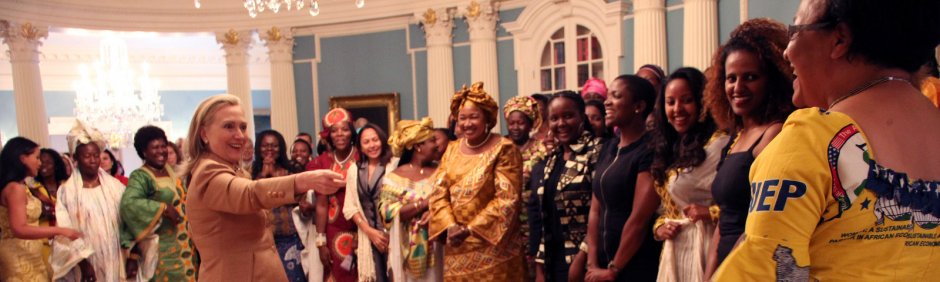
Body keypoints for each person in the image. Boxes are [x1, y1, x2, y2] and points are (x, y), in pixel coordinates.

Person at [716, 0, 940, 280]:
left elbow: (762, 270)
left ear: (839, 39)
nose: (786, 51)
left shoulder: (815, 140)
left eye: (794, 31)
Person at [183, 94, 345, 281]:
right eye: (229, 126)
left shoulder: (233, 170)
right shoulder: (207, 171)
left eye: (243, 127)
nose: (239, 135)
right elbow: (249, 193)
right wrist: (302, 181)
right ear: (204, 134)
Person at [701, 18, 796, 279]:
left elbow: (765, 225)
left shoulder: (775, 134)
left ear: (773, 80)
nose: (738, 88)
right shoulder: (735, 139)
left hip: (750, 270)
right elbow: (723, 221)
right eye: (731, 78)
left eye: (750, 77)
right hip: (724, 267)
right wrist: (710, 275)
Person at [429, 82, 525, 281]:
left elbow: (507, 199)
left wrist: (469, 229)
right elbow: (439, 192)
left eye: (474, 117)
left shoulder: (504, 149)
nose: (467, 123)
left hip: (495, 253)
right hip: (456, 249)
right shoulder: (452, 149)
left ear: (487, 119)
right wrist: (450, 225)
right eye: (462, 118)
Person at [648, 67, 727, 281]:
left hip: (708, 245)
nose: (677, 109)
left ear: (702, 102)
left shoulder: (720, 144)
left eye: (686, 100)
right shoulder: (669, 147)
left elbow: (740, 204)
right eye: (670, 102)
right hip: (676, 250)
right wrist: (660, 227)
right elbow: (665, 208)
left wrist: (709, 212)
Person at [586, 75, 661, 282]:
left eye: (616, 96)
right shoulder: (609, 146)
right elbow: (595, 209)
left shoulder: (650, 150)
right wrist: (592, 262)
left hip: (634, 265)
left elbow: (639, 219)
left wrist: (614, 269)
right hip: (601, 264)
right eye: (608, 95)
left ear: (638, 106)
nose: (606, 102)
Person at [528, 91, 603, 282]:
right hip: (553, 261)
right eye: (554, 118)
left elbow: (602, 211)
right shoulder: (550, 161)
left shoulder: (598, 152)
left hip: (587, 261)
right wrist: (540, 268)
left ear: (581, 118)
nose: (561, 123)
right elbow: (542, 219)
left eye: (568, 116)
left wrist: (582, 256)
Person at [52, 121, 128, 282]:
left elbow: (127, 219)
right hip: (84, 260)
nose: (93, 160)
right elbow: (65, 230)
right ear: (76, 158)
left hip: (113, 256)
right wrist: (83, 262)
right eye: (87, 156)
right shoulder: (67, 192)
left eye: (96, 155)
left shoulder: (115, 187)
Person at [119, 125, 198, 281]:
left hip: (187, 248)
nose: (161, 151)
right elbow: (129, 204)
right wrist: (162, 208)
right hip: (162, 252)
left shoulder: (171, 171)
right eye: (155, 147)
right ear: (144, 152)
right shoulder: (140, 177)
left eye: (163, 146)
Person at [1, 137, 82, 281]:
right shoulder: (15, 188)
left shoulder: (22, 186)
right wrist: (61, 231)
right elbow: (19, 228)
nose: (40, 163)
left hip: (30, 253)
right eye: (37, 158)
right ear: (23, 158)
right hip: (18, 256)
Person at [380, 118, 444, 282]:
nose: (437, 145)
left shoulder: (443, 171)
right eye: (432, 140)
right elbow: (388, 213)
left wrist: (433, 209)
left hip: (439, 245)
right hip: (406, 246)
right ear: (418, 146)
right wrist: (424, 203)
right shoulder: (394, 178)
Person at [307, 108, 360, 282]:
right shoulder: (322, 162)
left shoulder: (362, 157)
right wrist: (321, 242)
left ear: (351, 132)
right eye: (334, 131)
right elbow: (321, 204)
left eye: (344, 129)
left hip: (362, 228)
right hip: (333, 230)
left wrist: (362, 232)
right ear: (328, 135)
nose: (340, 134)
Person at [250, 130, 307, 281]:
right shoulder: (250, 173)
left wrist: (277, 182)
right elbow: (250, 201)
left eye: (274, 146)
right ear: (258, 148)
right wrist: (263, 176)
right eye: (265, 146)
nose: (269, 149)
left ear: (280, 148)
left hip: (289, 238)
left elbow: (300, 199)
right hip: (261, 242)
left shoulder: (291, 171)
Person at [343, 123, 394, 282]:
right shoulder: (354, 170)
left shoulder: (394, 165)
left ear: (383, 140)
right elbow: (350, 206)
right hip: (368, 236)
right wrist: (370, 232)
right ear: (360, 146)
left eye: (375, 140)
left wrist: (386, 234)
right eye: (366, 142)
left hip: (392, 235)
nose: (372, 145)